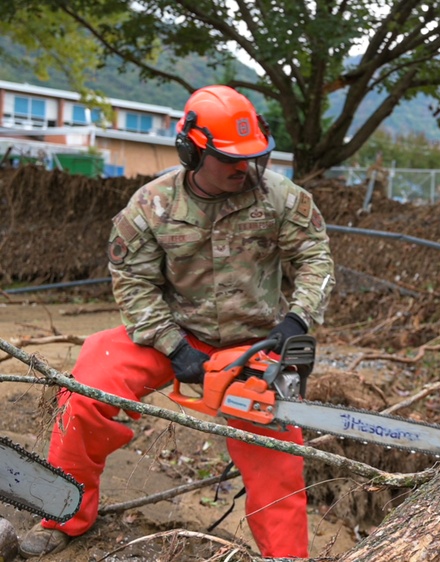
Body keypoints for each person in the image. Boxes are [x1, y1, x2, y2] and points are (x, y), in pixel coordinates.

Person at [19, 85, 335, 559]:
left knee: (278, 460)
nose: (243, 168)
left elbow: (316, 259)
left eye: (251, 157)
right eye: (229, 159)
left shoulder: (282, 199)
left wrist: (297, 320)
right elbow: (132, 283)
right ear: (192, 151)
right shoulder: (150, 207)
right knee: (85, 391)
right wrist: (173, 346)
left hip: (253, 342)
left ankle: (287, 557)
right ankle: (64, 514)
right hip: (171, 333)